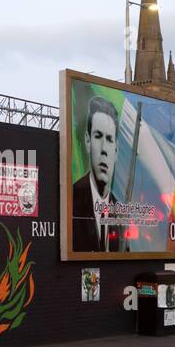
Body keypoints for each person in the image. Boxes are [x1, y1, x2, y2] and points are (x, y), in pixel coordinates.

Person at [71, 95, 121, 252]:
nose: (104, 149)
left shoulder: (121, 211)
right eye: (98, 136)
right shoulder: (71, 199)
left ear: (116, 150)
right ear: (87, 140)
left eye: (109, 139)